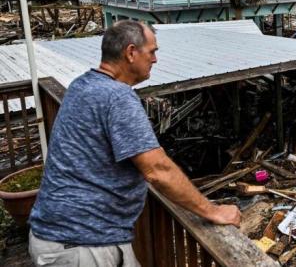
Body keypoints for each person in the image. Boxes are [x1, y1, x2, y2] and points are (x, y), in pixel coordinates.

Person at [28, 21, 241, 266]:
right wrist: (212, 211)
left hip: (68, 235)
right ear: (131, 53)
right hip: (81, 243)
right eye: (152, 52)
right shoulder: (117, 96)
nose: (155, 60)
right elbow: (157, 170)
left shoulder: (82, 85)